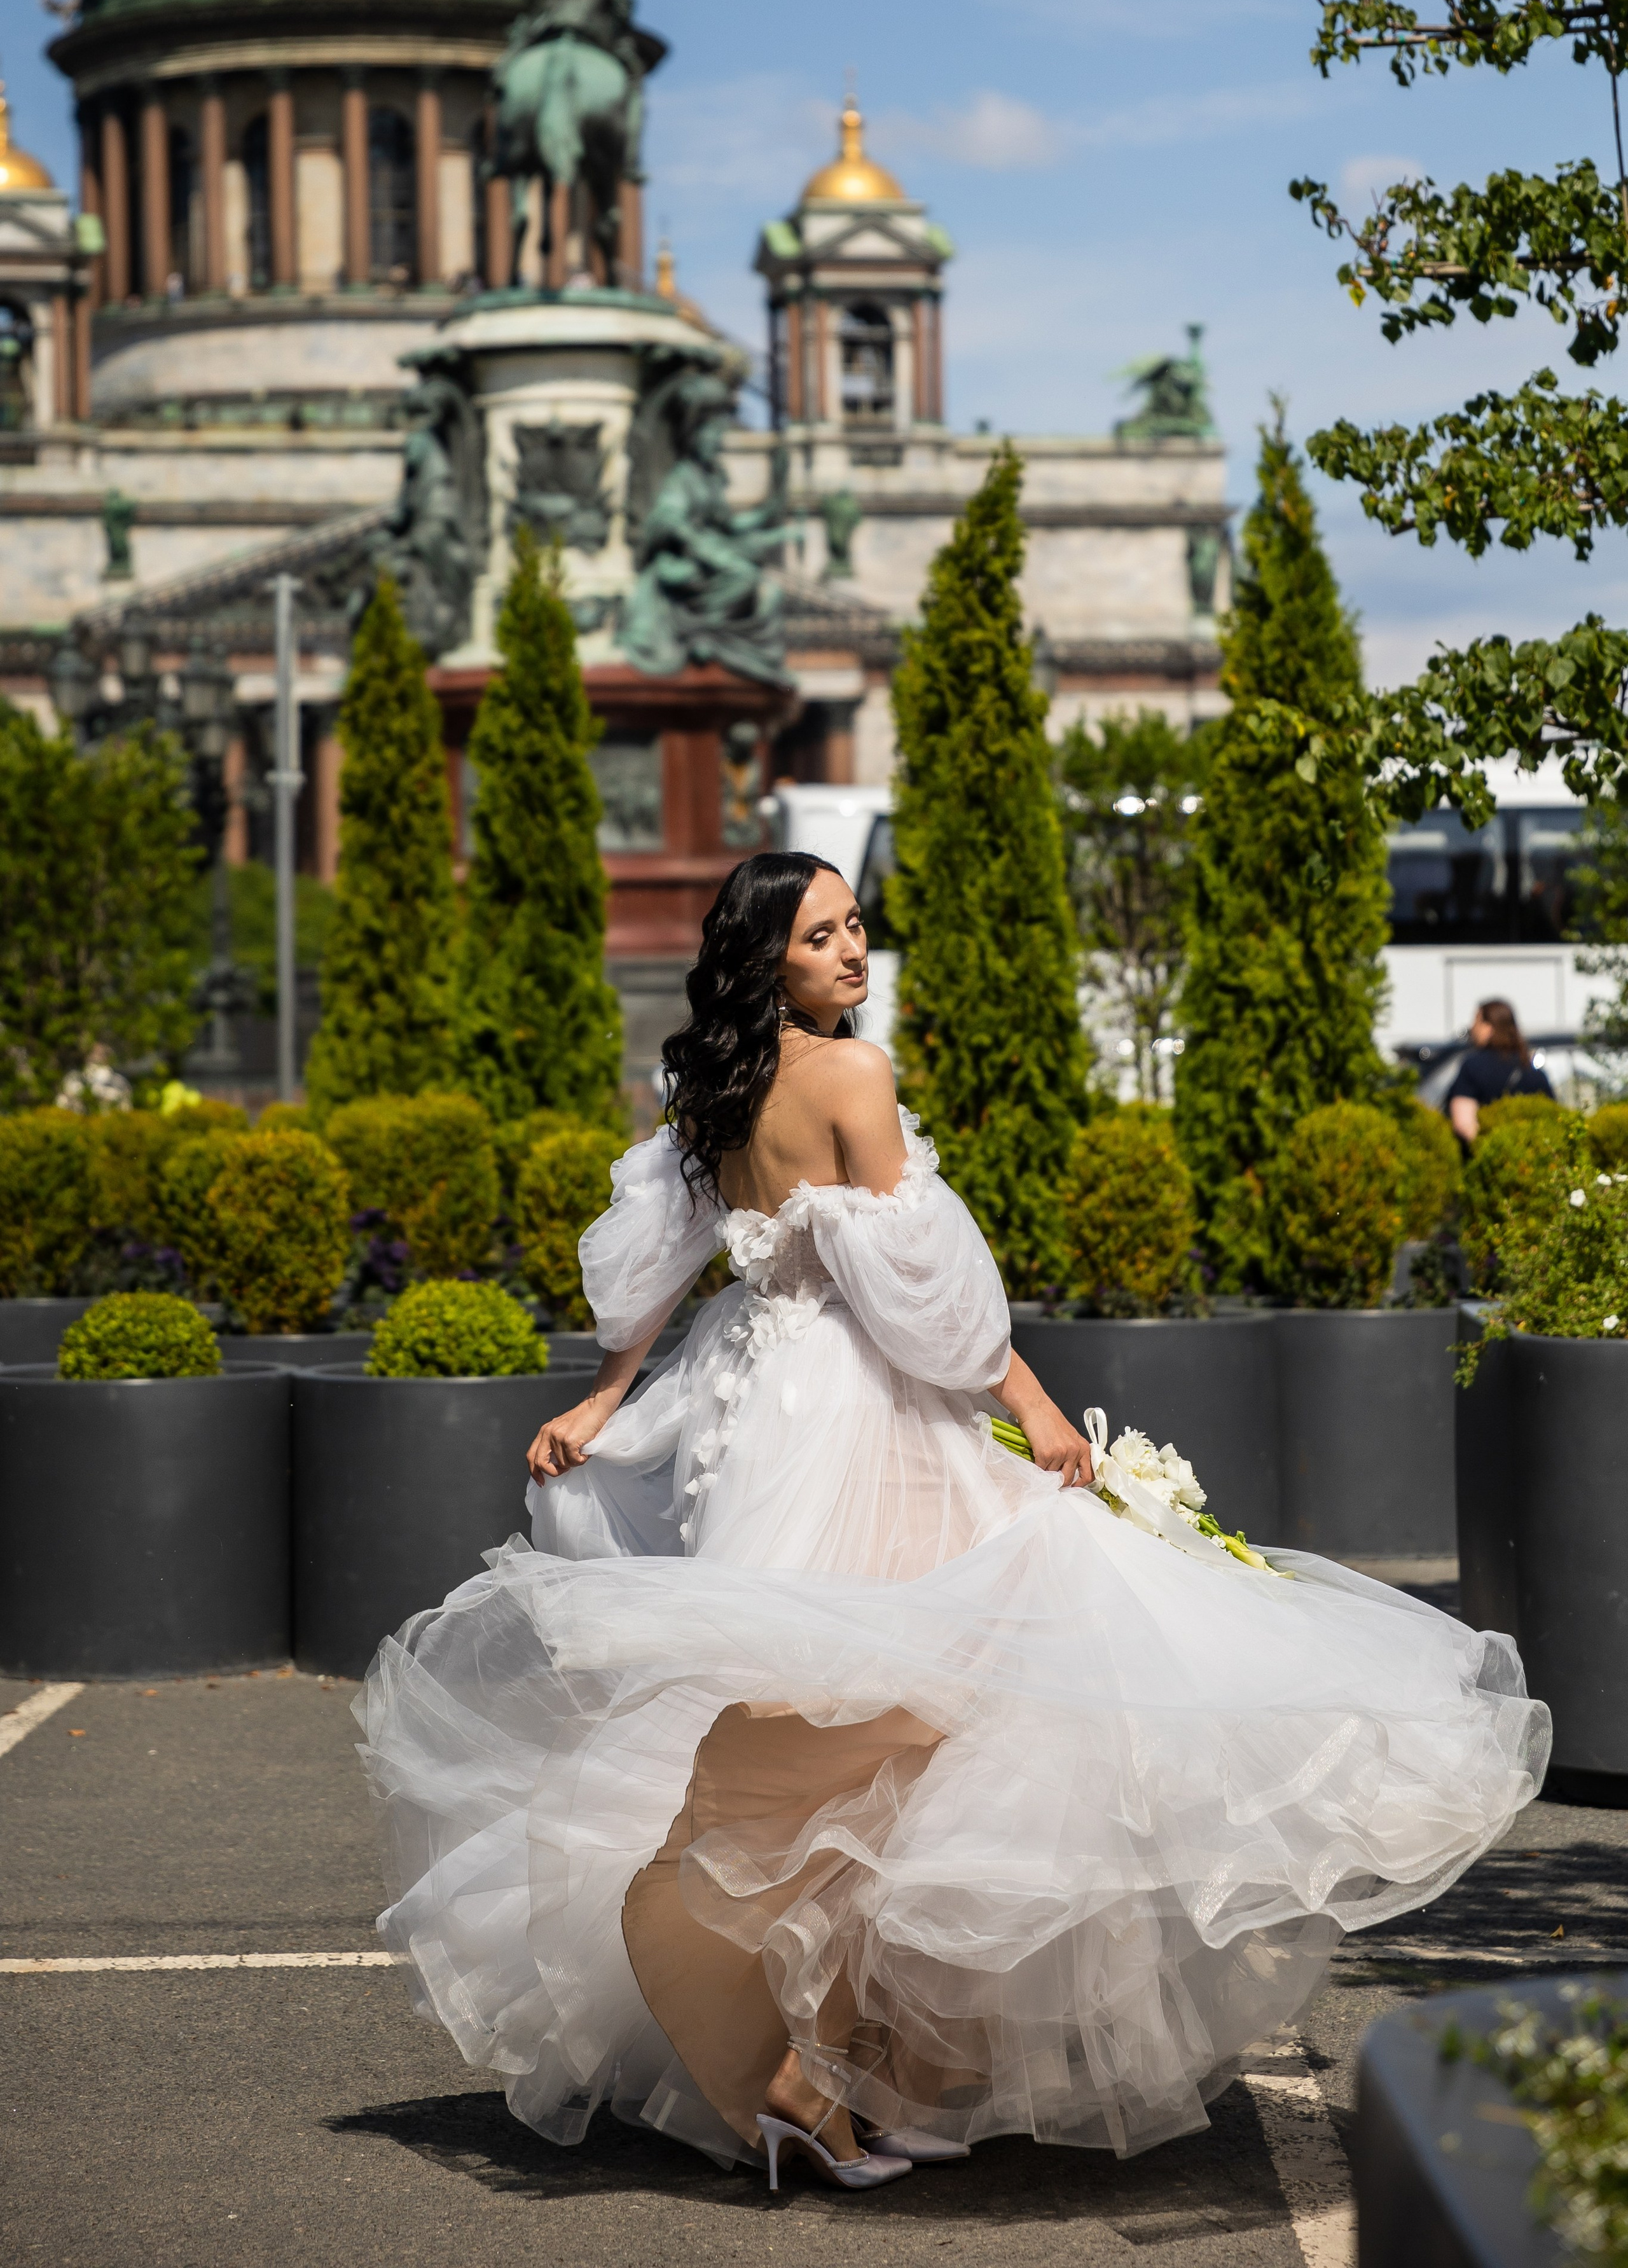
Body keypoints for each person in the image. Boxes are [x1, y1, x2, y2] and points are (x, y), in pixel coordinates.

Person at [355, 854, 1549, 2193]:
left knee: (846, 1720)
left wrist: (605, 1397)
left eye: (855, 924)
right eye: (821, 935)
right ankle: (829, 2071)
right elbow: (927, 1306)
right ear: (769, 962)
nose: (852, 950)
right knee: (931, 1710)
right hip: (860, 1416)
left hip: (750, 1421)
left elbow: (659, 1272)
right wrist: (1037, 1412)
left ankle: (864, 2072)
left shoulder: (715, 1090)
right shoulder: (853, 1079)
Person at [1447, 997, 1555, 1147]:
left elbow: (1463, 1123)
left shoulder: (1473, 1066)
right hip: (1529, 1153)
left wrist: (1489, 1149)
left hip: (1486, 1154)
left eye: (1476, 1021)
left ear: (1489, 1027)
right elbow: (1552, 1117)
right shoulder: (1532, 1071)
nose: (1472, 1028)